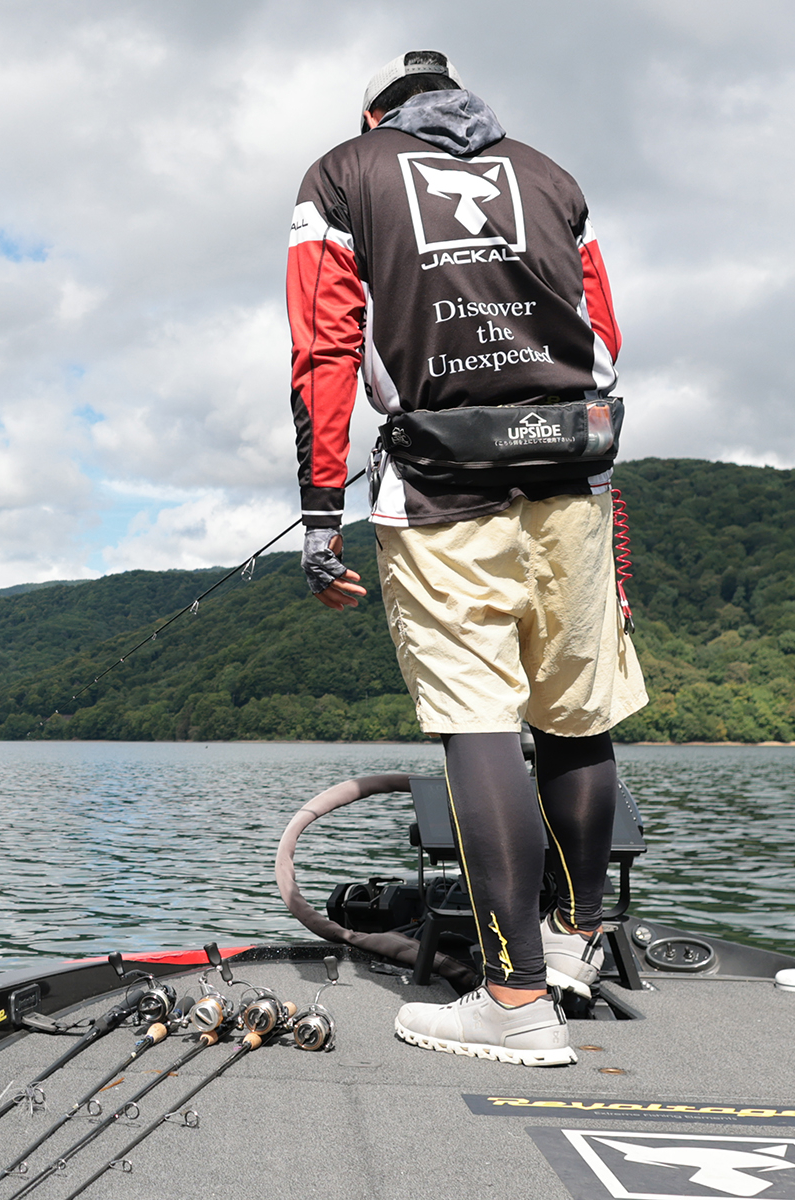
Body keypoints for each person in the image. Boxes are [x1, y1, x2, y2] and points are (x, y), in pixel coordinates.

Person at [286, 50, 648, 1065]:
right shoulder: (547, 175)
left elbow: (323, 347)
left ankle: (514, 998)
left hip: (443, 484)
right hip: (570, 470)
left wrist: (321, 515)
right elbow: (603, 337)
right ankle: (573, 945)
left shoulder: (344, 174)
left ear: (377, 116)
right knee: (575, 719)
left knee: (478, 722)